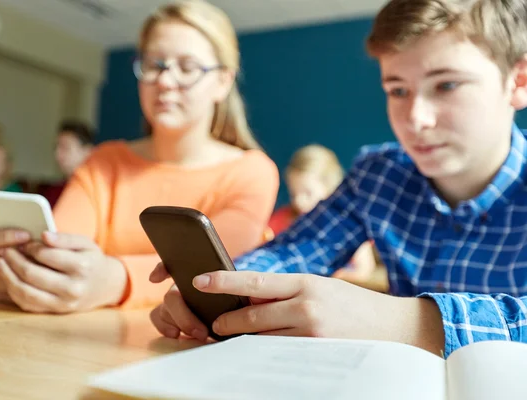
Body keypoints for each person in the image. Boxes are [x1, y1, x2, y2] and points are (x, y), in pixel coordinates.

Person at [150, 0, 527, 357]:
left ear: (519, 81)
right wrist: (227, 289)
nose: (417, 119)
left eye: (446, 85)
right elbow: (297, 251)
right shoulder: (379, 174)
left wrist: (403, 320)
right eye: (398, 90)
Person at [0, 0, 279, 313]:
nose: (164, 81)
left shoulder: (252, 171)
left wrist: (115, 280)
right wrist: (20, 268)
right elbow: (59, 250)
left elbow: (214, 272)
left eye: (187, 67)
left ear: (222, 82)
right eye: (155, 64)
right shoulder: (103, 163)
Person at [269, 144, 377, 281]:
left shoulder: (346, 225)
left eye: (307, 193)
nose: (299, 201)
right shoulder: (284, 219)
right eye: (293, 193)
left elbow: (363, 271)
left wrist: (323, 276)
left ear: (330, 188)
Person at [39, 119, 94, 208]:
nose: (57, 154)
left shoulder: (96, 193)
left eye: (65, 148)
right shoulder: (53, 192)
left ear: (88, 151)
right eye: (56, 148)